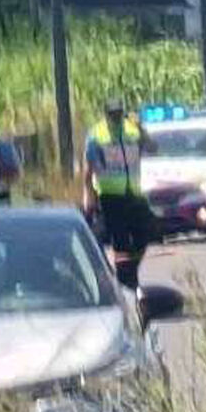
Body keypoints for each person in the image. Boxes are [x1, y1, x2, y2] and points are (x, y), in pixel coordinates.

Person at [84, 98, 157, 291]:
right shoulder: (96, 135)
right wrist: (89, 196)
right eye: (112, 114)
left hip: (133, 192)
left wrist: (141, 128)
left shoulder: (132, 130)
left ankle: (129, 272)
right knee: (121, 242)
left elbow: (152, 148)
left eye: (119, 113)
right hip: (110, 196)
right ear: (105, 114)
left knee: (147, 233)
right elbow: (89, 169)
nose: (116, 117)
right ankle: (127, 283)